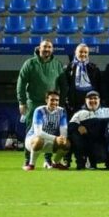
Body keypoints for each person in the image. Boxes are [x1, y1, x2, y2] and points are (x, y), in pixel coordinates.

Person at [17, 39, 68, 167]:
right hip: (33, 103)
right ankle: (28, 160)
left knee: (52, 130)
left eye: (49, 47)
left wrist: (61, 103)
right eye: (44, 47)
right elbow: (21, 83)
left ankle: (48, 160)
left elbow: (64, 85)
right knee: (32, 131)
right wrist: (22, 102)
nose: (47, 49)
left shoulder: (57, 64)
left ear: (52, 49)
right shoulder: (30, 63)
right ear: (39, 48)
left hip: (52, 104)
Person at [23, 90, 69, 171]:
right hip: (33, 140)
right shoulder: (39, 111)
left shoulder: (62, 111)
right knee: (39, 140)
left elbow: (64, 130)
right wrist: (55, 138)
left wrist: (62, 139)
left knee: (67, 144)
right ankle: (31, 164)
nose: (54, 102)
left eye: (57, 100)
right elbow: (38, 133)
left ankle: (56, 163)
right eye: (52, 100)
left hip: (50, 141)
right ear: (46, 100)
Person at [68, 90, 109, 170]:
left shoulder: (107, 111)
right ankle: (82, 161)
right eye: (90, 98)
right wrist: (78, 126)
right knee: (74, 135)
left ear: (99, 100)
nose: (93, 100)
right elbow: (70, 126)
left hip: (103, 143)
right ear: (86, 100)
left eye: (95, 98)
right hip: (88, 143)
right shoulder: (80, 113)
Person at [63, 43, 102, 116]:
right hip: (75, 100)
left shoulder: (94, 68)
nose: (83, 54)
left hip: (91, 99)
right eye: (81, 52)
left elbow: (99, 85)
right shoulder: (68, 68)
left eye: (85, 52)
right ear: (75, 53)